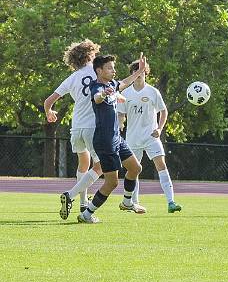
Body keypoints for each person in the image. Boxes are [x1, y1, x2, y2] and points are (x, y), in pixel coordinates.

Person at [77, 53, 148, 224]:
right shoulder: (97, 86)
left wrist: (139, 71)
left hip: (116, 138)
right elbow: (97, 97)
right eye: (109, 68)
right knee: (112, 183)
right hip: (104, 141)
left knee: (135, 168)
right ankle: (86, 214)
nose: (113, 71)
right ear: (99, 70)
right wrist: (103, 94)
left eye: (114, 68)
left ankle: (127, 202)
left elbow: (124, 82)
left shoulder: (112, 84)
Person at [44, 40, 104, 219]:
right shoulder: (97, 71)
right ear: (89, 55)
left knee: (83, 164)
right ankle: (71, 195)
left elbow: (48, 101)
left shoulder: (72, 78)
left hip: (76, 127)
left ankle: (84, 203)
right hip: (93, 126)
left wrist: (49, 113)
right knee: (101, 166)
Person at [117, 59, 182, 213]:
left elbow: (163, 111)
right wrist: (120, 123)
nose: (138, 75)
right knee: (134, 170)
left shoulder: (153, 92)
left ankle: (171, 202)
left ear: (145, 73)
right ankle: (134, 203)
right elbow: (120, 113)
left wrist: (159, 129)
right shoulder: (125, 93)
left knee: (162, 165)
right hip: (132, 138)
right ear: (132, 74)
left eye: (141, 72)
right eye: (135, 72)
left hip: (151, 137)